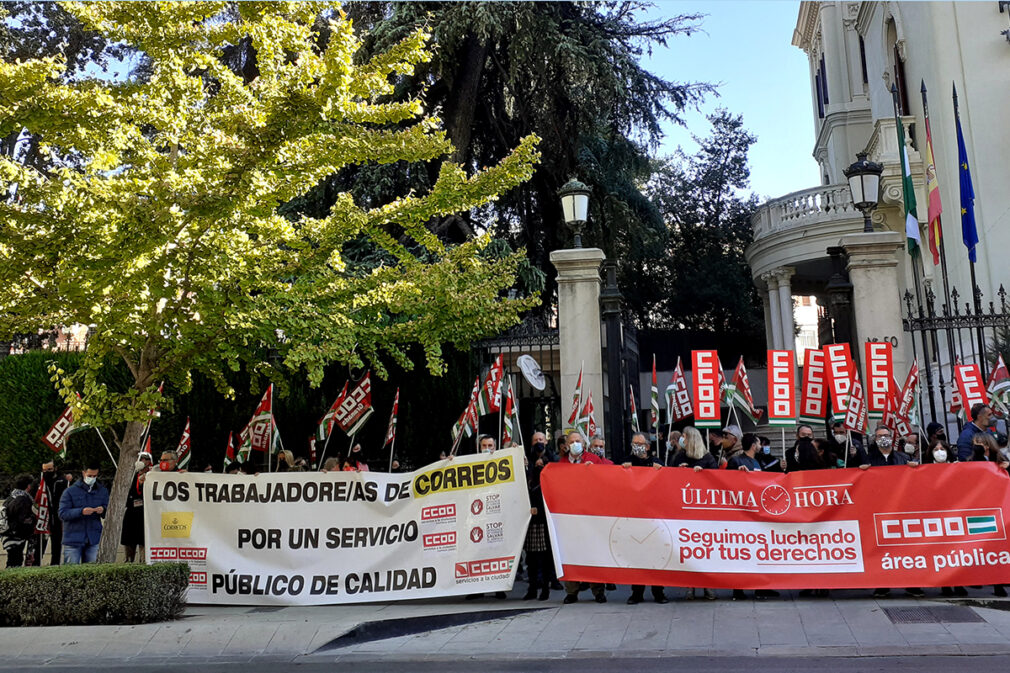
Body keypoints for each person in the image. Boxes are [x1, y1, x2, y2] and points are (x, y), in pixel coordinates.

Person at [858, 426, 923, 598]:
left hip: (902, 511)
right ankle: (882, 584)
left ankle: (912, 584)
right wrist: (861, 471)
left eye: (886, 435)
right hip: (878, 511)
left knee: (907, 549)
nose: (883, 439)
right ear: (875, 439)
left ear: (891, 437)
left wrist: (915, 469)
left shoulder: (903, 458)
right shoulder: (869, 459)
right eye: (880, 436)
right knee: (881, 550)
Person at [669, 427, 717, 600]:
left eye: (684, 436)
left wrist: (703, 475)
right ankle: (690, 585)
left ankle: (708, 586)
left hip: (704, 511)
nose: (682, 439)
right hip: (684, 510)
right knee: (689, 549)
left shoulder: (708, 458)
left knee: (705, 550)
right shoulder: (679, 457)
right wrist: (679, 472)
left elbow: (717, 480)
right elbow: (669, 480)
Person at [622, 432, 668, 605]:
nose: (636, 446)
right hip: (634, 516)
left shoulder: (656, 463)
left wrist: (660, 471)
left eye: (640, 443)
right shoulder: (626, 461)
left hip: (654, 517)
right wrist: (623, 471)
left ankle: (658, 591)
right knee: (637, 555)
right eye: (634, 443)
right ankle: (637, 592)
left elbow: (666, 484)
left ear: (647, 447)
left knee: (656, 555)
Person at [560, 430, 605, 604]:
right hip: (569, 516)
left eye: (578, 441)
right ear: (566, 445)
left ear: (584, 444)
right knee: (570, 552)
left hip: (591, 515)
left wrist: (592, 472)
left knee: (594, 552)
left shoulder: (593, 460)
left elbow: (605, 481)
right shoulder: (562, 463)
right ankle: (572, 591)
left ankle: (598, 590)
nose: (575, 444)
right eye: (572, 442)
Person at [58, 463, 109, 564]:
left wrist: (103, 509)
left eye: (95, 476)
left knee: (92, 572)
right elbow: (62, 513)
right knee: (71, 572)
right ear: (83, 473)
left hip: (93, 538)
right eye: (89, 476)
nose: (92, 478)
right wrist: (81, 511)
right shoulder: (70, 491)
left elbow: (108, 509)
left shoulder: (102, 491)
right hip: (73, 539)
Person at [121, 452, 152, 563]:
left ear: (149, 462)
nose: (142, 461)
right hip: (131, 516)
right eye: (140, 459)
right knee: (128, 554)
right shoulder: (129, 476)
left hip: (146, 517)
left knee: (144, 553)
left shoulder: (153, 475)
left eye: (144, 459)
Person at [2, 474, 37, 568]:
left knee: (12, 560)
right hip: (16, 536)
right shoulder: (23, 499)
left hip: (8, 534)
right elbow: (24, 519)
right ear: (28, 486)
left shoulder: (11, 497)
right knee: (15, 561)